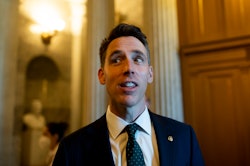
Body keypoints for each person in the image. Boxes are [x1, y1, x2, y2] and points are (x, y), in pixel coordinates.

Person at [53, 23, 205, 166]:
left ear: (150, 74)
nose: (128, 68)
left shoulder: (184, 137)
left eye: (138, 59)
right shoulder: (71, 149)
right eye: (117, 60)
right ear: (102, 75)